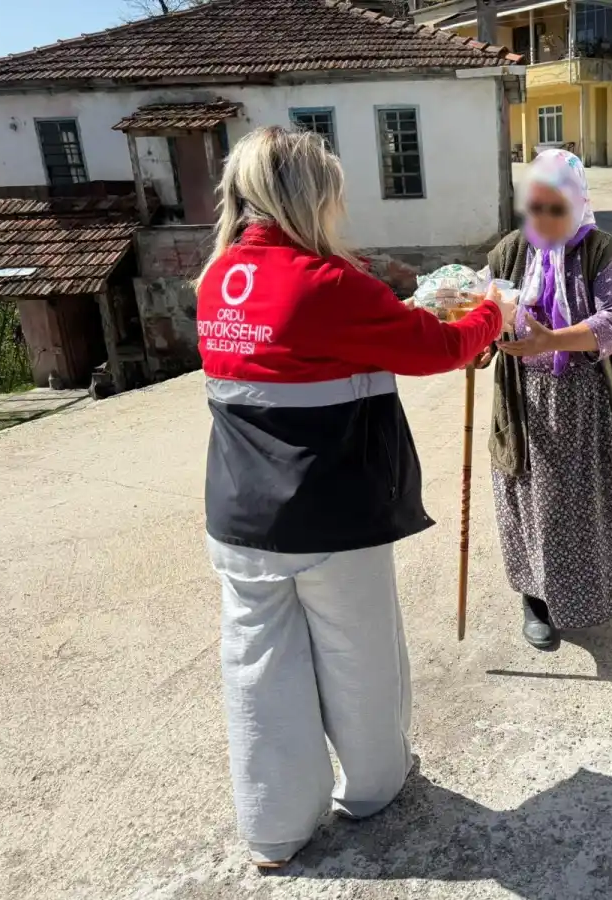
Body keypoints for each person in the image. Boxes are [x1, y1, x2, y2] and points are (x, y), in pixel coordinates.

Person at [195, 126, 515, 869]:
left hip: (240, 516)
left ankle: (273, 831)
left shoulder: (217, 280)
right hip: (329, 515)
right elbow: (436, 347)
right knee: (359, 656)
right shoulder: (326, 285)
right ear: (310, 196)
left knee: (256, 671)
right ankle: (372, 789)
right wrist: (490, 312)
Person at [481, 149, 612, 650]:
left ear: (578, 204)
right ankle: (536, 601)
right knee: (536, 503)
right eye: (536, 208)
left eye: (557, 209)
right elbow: (487, 314)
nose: (546, 220)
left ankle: (607, 587)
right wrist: (477, 337)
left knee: (596, 500)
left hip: (590, 402)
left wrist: (549, 340)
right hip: (525, 403)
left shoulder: (601, 248)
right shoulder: (508, 253)